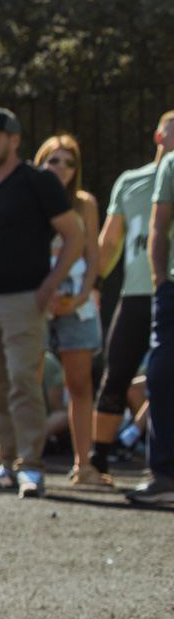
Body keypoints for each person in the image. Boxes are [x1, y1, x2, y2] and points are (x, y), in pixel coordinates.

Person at [0, 108, 84, 499]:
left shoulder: (38, 182)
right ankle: (6, 463)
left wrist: (47, 288)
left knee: (23, 384)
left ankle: (31, 467)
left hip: (23, 302)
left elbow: (74, 236)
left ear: (14, 140)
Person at [29, 135, 108, 488]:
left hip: (75, 301)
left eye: (68, 162)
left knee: (80, 383)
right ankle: (25, 460)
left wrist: (81, 296)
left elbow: (93, 255)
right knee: (27, 381)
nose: (61, 168)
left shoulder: (84, 203)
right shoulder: (28, 199)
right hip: (36, 299)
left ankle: (83, 465)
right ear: (40, 162)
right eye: (54, 160)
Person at [96, 112, 172, 472]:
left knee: (163, 377)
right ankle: (97, 459)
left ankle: (155, 460)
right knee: (116, 375)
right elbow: (110, 242)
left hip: (168, 292)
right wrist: (94, 284)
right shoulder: (131, 182)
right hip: (136, 295)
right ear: (159, 136)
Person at [137, 115, 174, 503]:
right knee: (161, 374)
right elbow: (159, 226)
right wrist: (161, 280)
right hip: (173, 288)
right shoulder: (171, 165)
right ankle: (163, 472)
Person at [0, 352, 69, 455]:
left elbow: (56, 408)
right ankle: (24, 445)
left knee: (64, 417)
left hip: (37, 423)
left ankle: (2, 444)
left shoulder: (46, 361)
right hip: (4, 424)